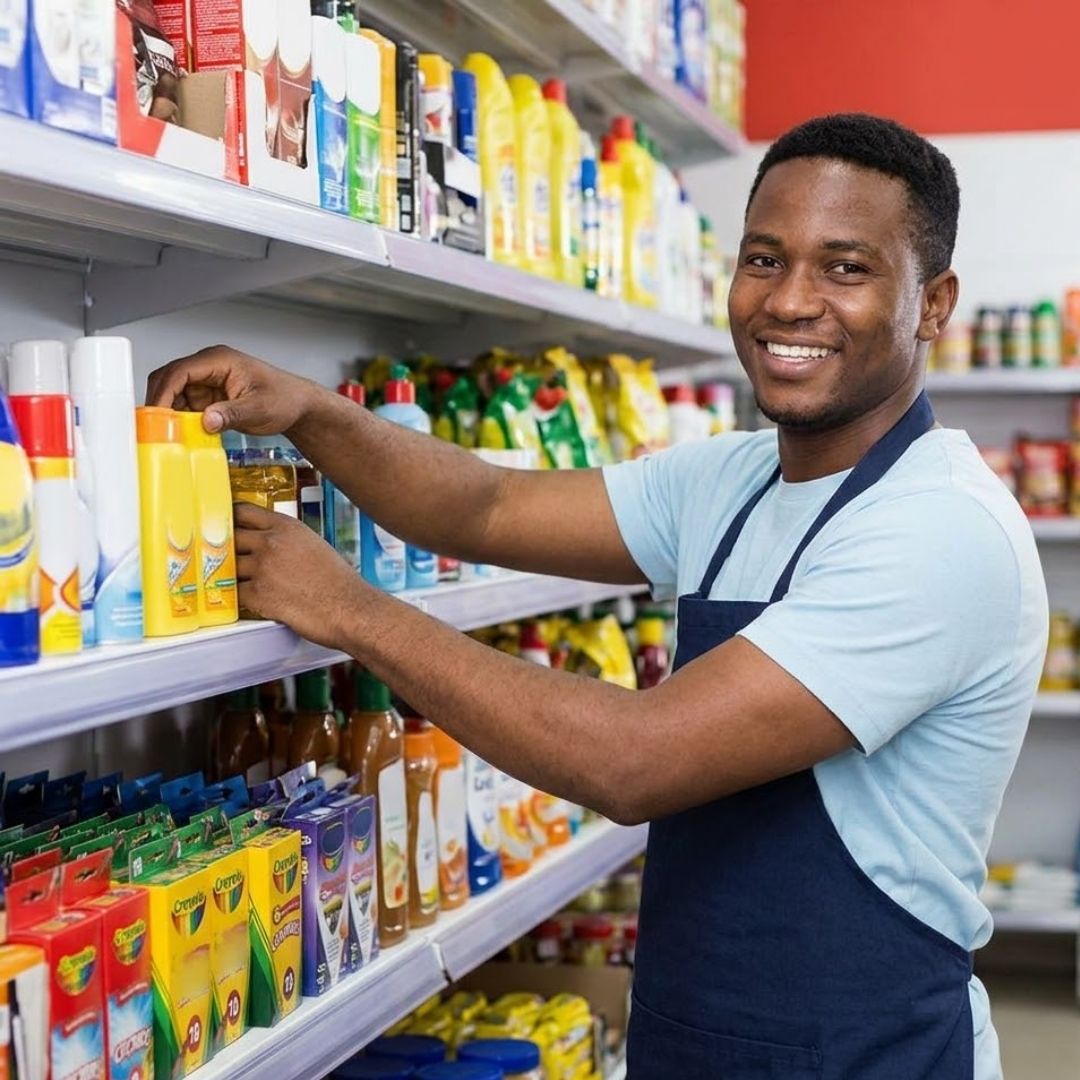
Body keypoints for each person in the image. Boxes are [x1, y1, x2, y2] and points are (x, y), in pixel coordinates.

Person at [148, 113, 1047, 1078]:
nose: (789, 302)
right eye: (764, 258)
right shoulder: (737, 479)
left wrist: (351, 610)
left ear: (934, 302)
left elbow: (636, 760)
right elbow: (489, 506)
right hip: (697, 1034)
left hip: (867, 1054)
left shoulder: (940, 529)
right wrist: (313, 411)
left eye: (845, 268)